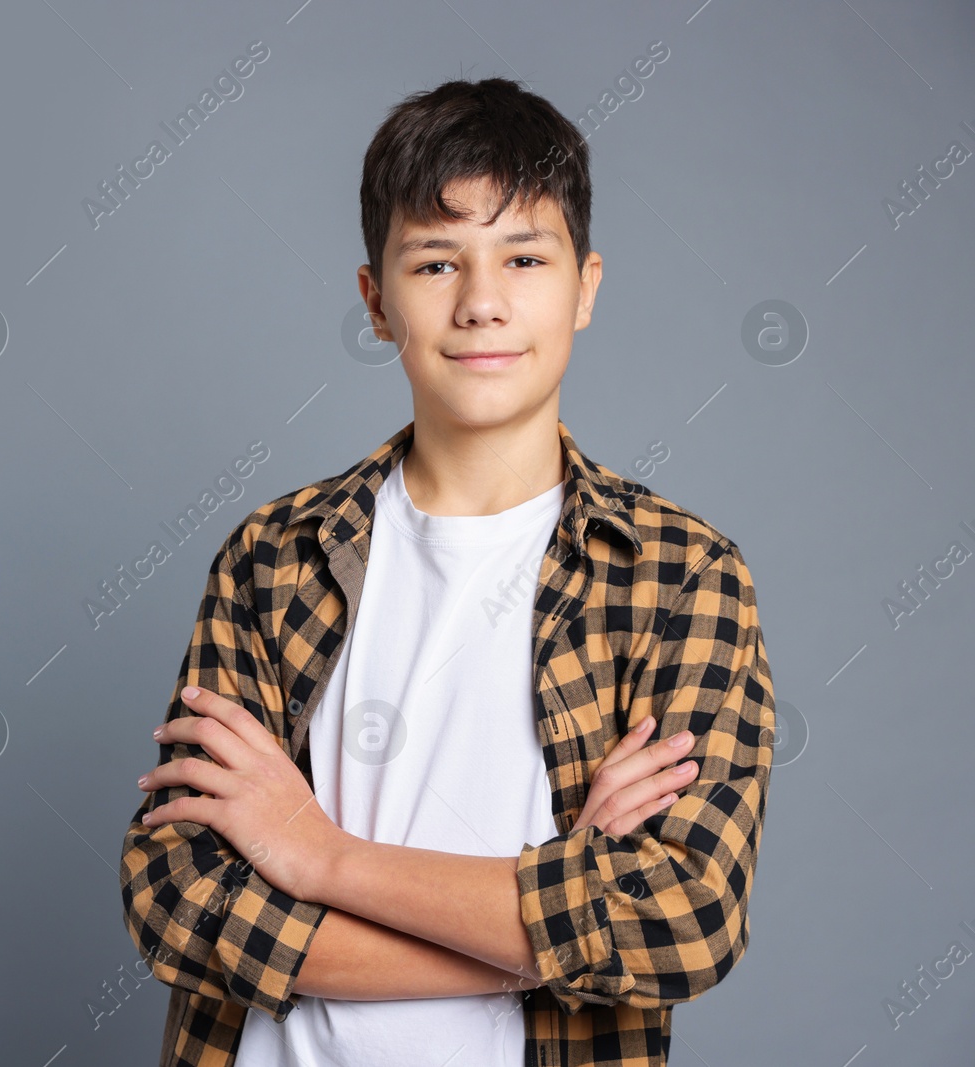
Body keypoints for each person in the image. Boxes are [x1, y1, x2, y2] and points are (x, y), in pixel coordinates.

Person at [118, 76, 776, 1067]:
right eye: (435, 262)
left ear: (584, 286)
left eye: (523, 255)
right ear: (375, 301)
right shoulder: (275, 554)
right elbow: (177, 895)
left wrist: (318, 853)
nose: (480, 303)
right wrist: (554, 903)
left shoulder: (677, 574)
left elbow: (682, 917)